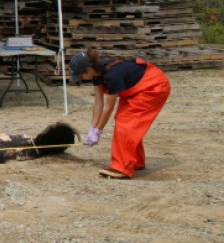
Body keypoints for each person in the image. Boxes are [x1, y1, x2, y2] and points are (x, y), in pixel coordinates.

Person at [69, 48, 171, 179]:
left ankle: (122, 168)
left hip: (153, 86)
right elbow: (98, 103)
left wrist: (99, 131)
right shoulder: (97, 74)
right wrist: (92, 128)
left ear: (89, 69)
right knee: (124, 120)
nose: (81, 78)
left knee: (126, 122)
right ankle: (136, 161)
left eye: (81, 75)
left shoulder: (113, 76)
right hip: (137, 89)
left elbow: (108, 108)